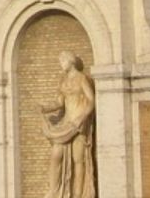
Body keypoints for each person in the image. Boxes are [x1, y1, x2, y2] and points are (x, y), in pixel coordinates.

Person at [41, 50, 96, 198]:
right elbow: (59, 102)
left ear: (70, 61)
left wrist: (83, 116)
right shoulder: (63, 80)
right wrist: (45, 108)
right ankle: (54, 191)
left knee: (78, 158)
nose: (61, 64)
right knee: (56, 153)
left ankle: (78, 195)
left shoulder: (82, 78)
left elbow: (91, 100)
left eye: (62, 61)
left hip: (79, 123)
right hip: (66, 123)